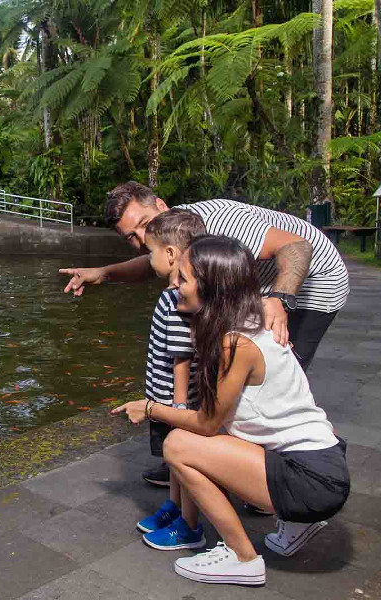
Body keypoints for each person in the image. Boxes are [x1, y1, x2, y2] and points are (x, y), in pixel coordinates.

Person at [61, 181, 349, 488]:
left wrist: (281, 299)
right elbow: (153, 261)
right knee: (228, 379)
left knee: (271, 384)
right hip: (256, 288)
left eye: (144, 226)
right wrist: (104, 273)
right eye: (131, 236)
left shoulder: (222, 225)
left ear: (160, 205)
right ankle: (199, 458)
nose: (143, 240)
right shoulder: (176, 233)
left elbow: (298, 246)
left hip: (310, 283)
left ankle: (294, 471)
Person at [112, 235, 349, 586]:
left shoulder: (234, 342)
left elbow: (206, 425)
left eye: (184, 278)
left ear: (211, 288)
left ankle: (242, 557)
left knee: (178, 444)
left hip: (311, 480)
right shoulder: (249, 324)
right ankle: (297, 525)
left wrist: (150, 409)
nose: (174, 284)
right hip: (324, 462)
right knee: (205, 436)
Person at [135, 209, 206, 551]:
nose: (147, 259)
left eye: (149, 252)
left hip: (172, 400)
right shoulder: (183, 293)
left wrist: (177, 406)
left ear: (170, 253)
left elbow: (181, 356)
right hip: (170, 399)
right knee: (173, 463)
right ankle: (174, 508)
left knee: (181, 461)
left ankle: (188, 525)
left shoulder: (174, 298)